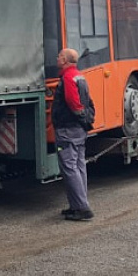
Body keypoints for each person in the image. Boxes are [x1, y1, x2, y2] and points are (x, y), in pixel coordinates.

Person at [53, 48, 95, 221]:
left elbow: (73, 102)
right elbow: (89, 103)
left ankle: (82, 208)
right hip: (78, 129)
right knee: (79, 166)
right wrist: (86, 121)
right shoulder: (80, 76)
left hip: (67, 128)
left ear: (65, 60)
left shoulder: (68, 77)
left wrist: (79, 117)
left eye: (59, 56)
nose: (57, 58)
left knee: (69, 167)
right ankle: (77, 204)